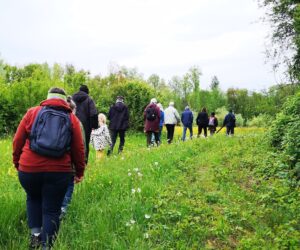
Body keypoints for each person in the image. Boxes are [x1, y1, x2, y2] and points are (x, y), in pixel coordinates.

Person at [13, 87, 85, 249]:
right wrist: (79, 172)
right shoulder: (72, 119)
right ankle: (47, 246)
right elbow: (79, 149)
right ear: (64, 100)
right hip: (59, 172)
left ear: (47, 97)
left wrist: (18, 162)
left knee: (33, 198)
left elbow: (17, 140)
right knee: (52, 210)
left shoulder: (32, 112)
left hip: (29, 169)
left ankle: (35, 237)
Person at [60, 96, 86, 219]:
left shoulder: (46, 117)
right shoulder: (75, 122)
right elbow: (81, 148)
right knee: (68, 187)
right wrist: (80, 170)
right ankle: (62, 211)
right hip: (68, 166)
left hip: (45, 166)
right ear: (74, 110)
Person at [72, 84, 98, 163]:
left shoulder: (72, 98)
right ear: (87, 92)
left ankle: (72, 162)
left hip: (72, 124)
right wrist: (94, 126)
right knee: (85, 144)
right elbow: (93, 114)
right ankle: (84, 163)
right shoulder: (89, 99)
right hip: (85, 126)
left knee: (72, 143)